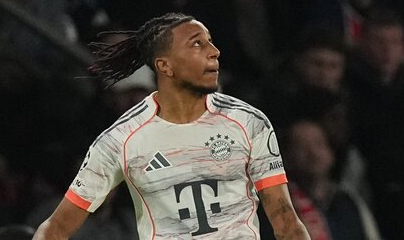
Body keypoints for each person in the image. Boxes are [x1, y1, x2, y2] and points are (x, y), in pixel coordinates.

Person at [32, 12, 310, 239]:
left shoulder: (248, 128)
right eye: (196, 45)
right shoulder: (122, 140)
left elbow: (282, 219)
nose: (213, 52)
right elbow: (57, 226)